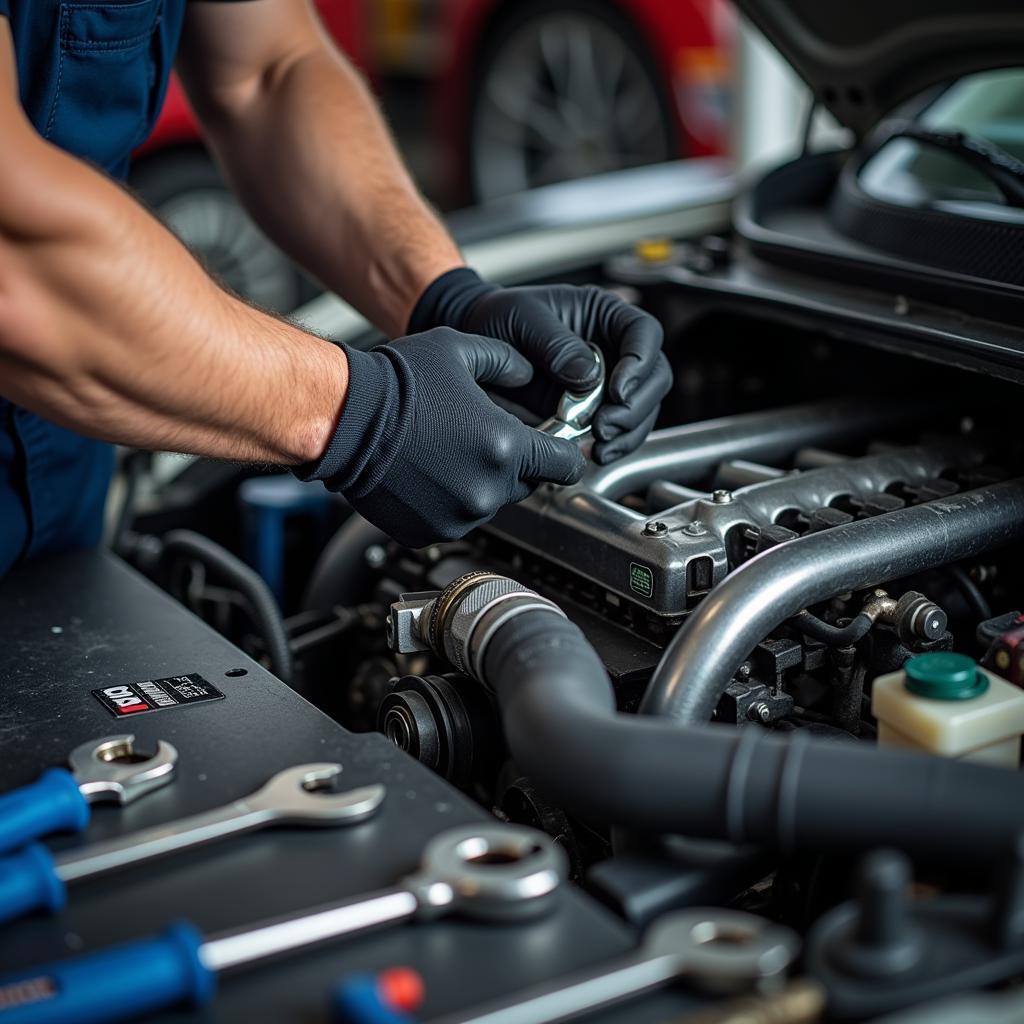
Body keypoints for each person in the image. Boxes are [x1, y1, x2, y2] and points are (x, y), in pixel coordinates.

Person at [0, 0, 672, 574]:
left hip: (60, 519)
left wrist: (446, 297)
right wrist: (360, 414)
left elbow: (269, 71)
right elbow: (14, 270)